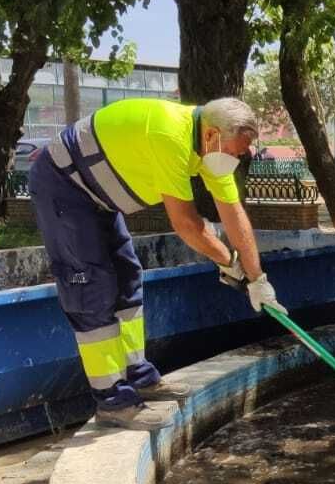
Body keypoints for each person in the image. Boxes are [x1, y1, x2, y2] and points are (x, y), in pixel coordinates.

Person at [27, 96, 276, 429]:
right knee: (92, 286)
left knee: (127, 276)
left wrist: (258, 279)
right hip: (64, 185)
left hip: (97, 197)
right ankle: (113, 401)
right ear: (212, 135)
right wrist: (229, 262)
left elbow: (234, 215)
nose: (238, 158)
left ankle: (138, 377)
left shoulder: (210, 149)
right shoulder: (170, 136)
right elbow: (187, 225)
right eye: (236, 152)